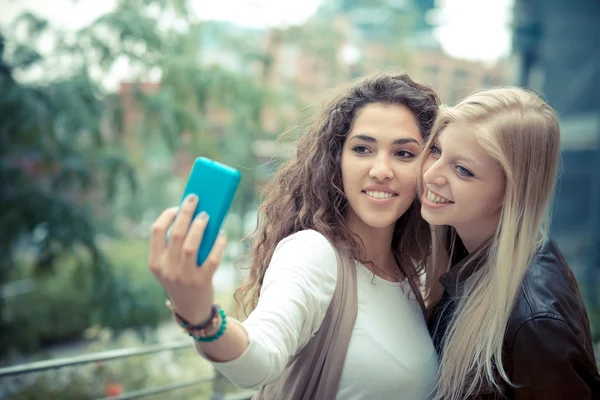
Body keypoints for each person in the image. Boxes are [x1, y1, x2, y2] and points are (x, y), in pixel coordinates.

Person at [148, 73, 441, 399]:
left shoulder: (417, 274)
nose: (381, 170)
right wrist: (200, 317)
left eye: (404, 154)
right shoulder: (313, 253)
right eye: (362, 149)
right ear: (336, 160)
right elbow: (260, 359)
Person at [418, 87, 600, 399]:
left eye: (463, 169)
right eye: (436, 150)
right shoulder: (460, 247)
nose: (431, 174)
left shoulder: (536, 320)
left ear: (512, 191)